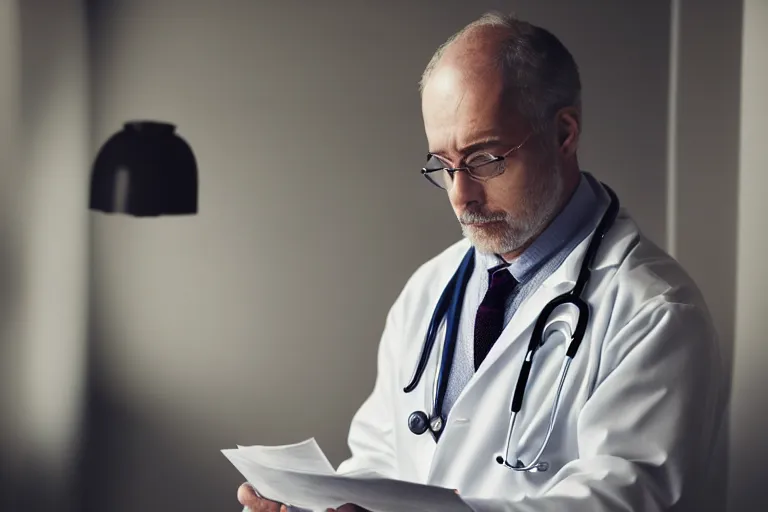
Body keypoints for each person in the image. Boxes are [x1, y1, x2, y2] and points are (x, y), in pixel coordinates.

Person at [238, 11, 726, 512]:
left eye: (485, 159)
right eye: (443, 166)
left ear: (563, 134)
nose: (460, 196)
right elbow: (382, 460)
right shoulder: (430, 288)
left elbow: (622, 500)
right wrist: (317, 506)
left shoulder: (655, 311)